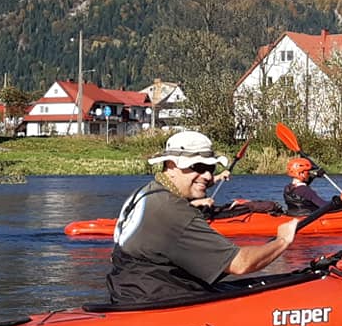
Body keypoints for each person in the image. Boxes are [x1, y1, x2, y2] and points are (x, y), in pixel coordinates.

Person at [107, 130, 298, 305]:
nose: (207, 175)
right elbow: (240, 264)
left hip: (128, 296)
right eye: (198, 167)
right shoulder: (174, 212)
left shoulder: (145, 193)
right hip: (161, 304)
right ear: (171, 166)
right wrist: (282, 240)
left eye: (211, 168)